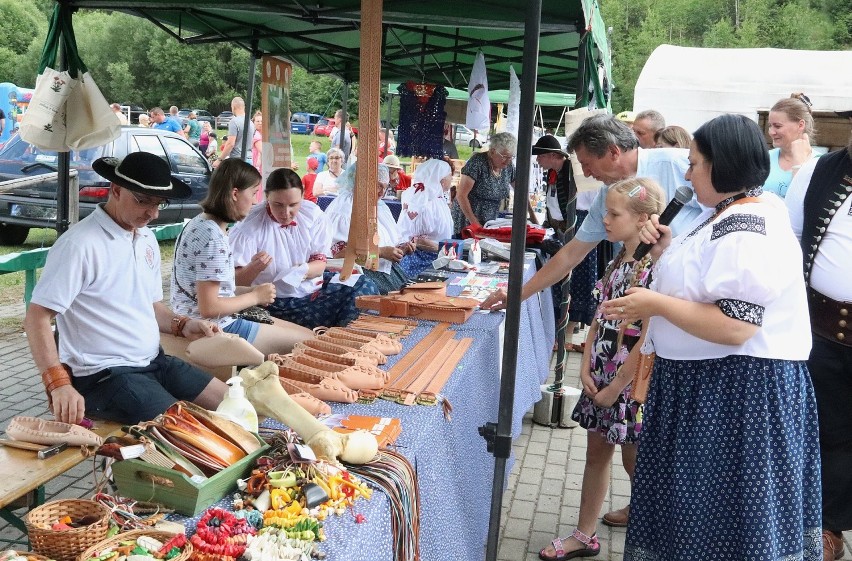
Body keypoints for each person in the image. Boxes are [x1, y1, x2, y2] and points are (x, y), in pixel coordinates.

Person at [605, 114, 821, 561]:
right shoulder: (726, 213)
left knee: (724, 529)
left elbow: (735, 326)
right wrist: (666, 251)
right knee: (699, 527)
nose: (687, 174)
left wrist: (655, 304)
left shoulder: (748, 226)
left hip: (734, 395)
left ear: (721, 165)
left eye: (694, 163)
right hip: (710, 390)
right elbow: (703, 286)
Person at [23, 152, 228, 425]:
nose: (152, 213)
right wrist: (58, 383)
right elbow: (36, 317)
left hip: (154, 362)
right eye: (143, 201)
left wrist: (183, 325)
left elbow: (151, 305)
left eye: (159, 203)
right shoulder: (80, 244)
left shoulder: (145, 238)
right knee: (192, 433)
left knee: (236, 407)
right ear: (116, 190)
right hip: (105, 376)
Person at [538, 178, 664, 561]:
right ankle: (585, 533)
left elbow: (648, 336)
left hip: (628, 381)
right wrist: (586, 363)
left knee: (634, 458)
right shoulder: (618, 259)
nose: (604, 220)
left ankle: (658, 530)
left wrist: (618, 385)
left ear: (643, 219)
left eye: (614, 214)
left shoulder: (652, 267)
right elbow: (600, 315)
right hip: (602, 373)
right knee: (597, 453)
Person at [785, 110, 852, 561]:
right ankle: (827, 526)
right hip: (823, 328)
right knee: (828, 431)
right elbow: (790, 239)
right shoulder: (819, 170)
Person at [171, 159, 312, 356]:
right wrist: (255, 296)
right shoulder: (213, 238)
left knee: (308, 334)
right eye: (253, 193)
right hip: (216, 326)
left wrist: (250, 289)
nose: (255, 201)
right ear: (235, 194)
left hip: (200, 317)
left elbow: (213, 290)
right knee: (312, 344)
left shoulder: (198, 223)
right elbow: (209, 307)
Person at [230, 168, 378, 329]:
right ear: (267, 197)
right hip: (275, 301)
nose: (286, 213)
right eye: (278, 205)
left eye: (293, 205)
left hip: (313, 288)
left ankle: (346, 336)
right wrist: (254, 268)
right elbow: (234, 282)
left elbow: (320, 263)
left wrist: (302, 271)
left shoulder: (311, 215)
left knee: (364, 285)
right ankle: (334, 337)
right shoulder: (248, 228)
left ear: (302, 196)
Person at [326, 162, 414, 294]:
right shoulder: (345, 209)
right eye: (377, 185)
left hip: (385, 271)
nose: (381, 192)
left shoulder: (379, 206)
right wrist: (381, 252)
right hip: (361, 277)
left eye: (384, 187)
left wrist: (400, 249)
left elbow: (382, 242)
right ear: (362, 182)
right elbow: (340, 255)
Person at [451, 131, 518, 235]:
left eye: (511, 157)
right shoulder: (477, 162)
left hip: (490, 220)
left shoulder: (508, 167)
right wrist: (475, 224)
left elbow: (520, 191)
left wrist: (532, 215)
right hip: (468, 219)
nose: (508, 161)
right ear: (492, 152)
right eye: (504, 156)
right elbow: (461, 195)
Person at [397, 158, 454, 278]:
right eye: (450, 175)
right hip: (423, 258)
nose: (452, 178)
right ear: (442, 179)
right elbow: (417, 240)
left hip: (438, 254)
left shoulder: (437, 199)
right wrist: (445, 249)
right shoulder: (424, 201)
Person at [764, 92, 818, 198]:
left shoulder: (820, 162)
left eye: (777, 126)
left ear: (800, 125)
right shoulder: (764, 159)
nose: (771, 132)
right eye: (770, 126)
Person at [215, 96, 255, 168]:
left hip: (237, 161)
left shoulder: (234, 122)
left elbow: (230, 144)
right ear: (243, 107)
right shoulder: (251, 123)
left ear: (233, 107)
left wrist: (220, 159)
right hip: (249, 159)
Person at [251, 111, 264, 201]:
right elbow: (263, 151)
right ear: (254, 122)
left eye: (261, 121)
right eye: (257, 121)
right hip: (257, 164)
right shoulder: (256, 135)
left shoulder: (262, 135)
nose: (260, 123)